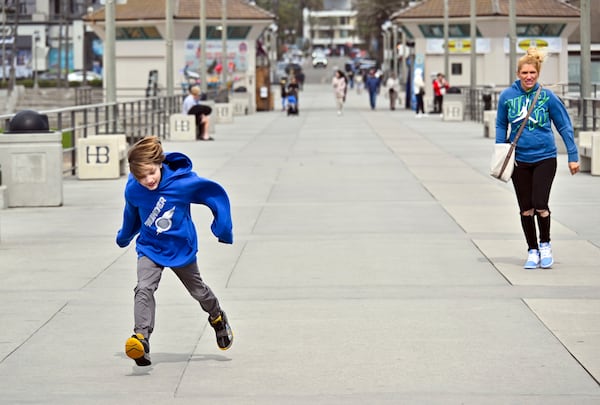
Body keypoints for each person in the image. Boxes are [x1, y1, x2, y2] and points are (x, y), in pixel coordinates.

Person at [116, 136, 234, 366]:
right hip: (149, 247)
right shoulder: (133, 189)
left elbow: (213, 195)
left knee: (199, 292)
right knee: (143, 288)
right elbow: (131, 215)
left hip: (180, 248)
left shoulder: (182, 183)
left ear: (159, 163)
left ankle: (217, 316)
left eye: (151, 173)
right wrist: (124, 236)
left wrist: (223, 227)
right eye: (141, 177)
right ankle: (141, 340)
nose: (148, 180)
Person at [495, 47, 580, 270]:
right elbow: (501, 124)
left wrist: (573, 155)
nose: (529, 76)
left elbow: (564, 125)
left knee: (540, 204)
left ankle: (545, 244)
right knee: (526, 208)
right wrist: (500, 149)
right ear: (518, 74)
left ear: (538, 73)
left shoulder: (547, 96)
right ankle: (532, 250)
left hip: (545, 157)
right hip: (519, 159)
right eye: (524, 73)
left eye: (532, 72)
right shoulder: (507, 96)